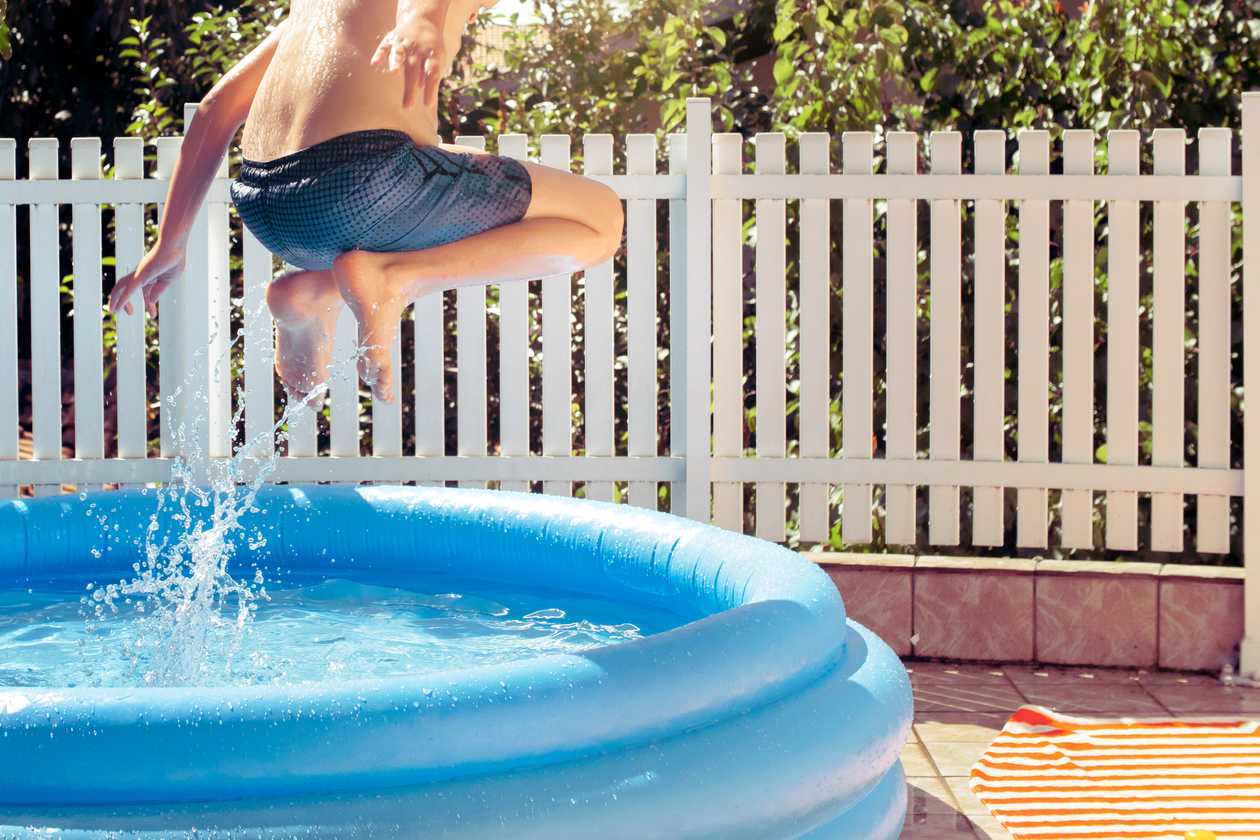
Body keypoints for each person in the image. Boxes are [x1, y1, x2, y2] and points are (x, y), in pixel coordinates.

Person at [107, 0, 625, 404]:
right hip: (363, 184)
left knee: (435, 156)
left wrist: (169, 243)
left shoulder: (311, 15)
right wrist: (422, 22)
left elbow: (214, 111)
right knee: (602, 218)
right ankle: (398, 279)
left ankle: (314, 290)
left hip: (269, 205)